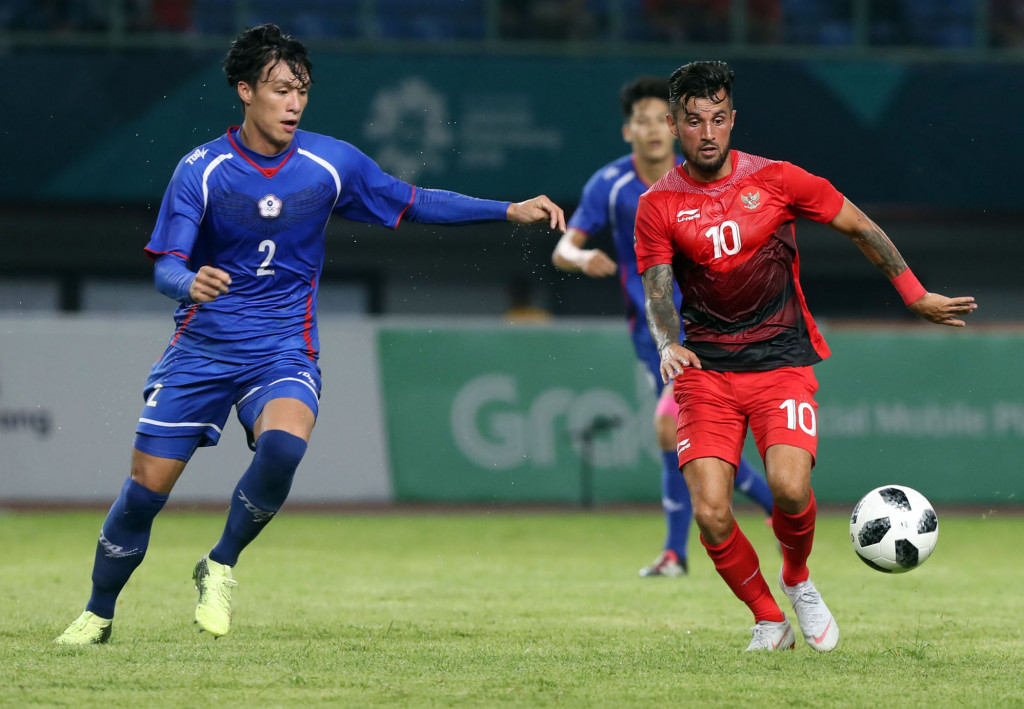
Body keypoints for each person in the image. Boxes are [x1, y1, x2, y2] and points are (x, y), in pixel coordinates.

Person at [55, 23, 565, 645]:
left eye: (301, 90)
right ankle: (98, 613)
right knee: (144, 495)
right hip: (203, 349)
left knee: (285, 448)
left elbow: (413, 201)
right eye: (279, 90)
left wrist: (505, 209)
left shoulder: (331, 163)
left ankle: (219, 564)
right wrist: (189, 283)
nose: (293, 103)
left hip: (281, 349)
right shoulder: (203, 171)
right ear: (244, 91)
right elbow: (165, 265)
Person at [634, 60, 976, 651]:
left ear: (733, 119)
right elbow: (658, 291)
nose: (708, 133)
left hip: (780, 362)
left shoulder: (777, 179)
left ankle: (797, 579)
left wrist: (915, 295)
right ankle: (768, 618)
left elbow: (860, 226)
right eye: (694, 121)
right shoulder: (658, 205)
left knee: (789, 490)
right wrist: (669, 343)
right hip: (707, 373)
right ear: (674, 124)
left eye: (719, 119)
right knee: (712, 512)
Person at [552, 76, 774, 579]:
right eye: (642, 120)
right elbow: (562, 249)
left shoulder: (699, 178)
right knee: (683, 437)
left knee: (672, 429)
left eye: (661, 119)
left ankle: (679, 550)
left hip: (706, 326)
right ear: (627, 130)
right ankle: (760, 512)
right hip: (649, 335)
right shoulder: (608, 187)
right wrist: (582, 257)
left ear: (674, 128)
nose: (652, 129)